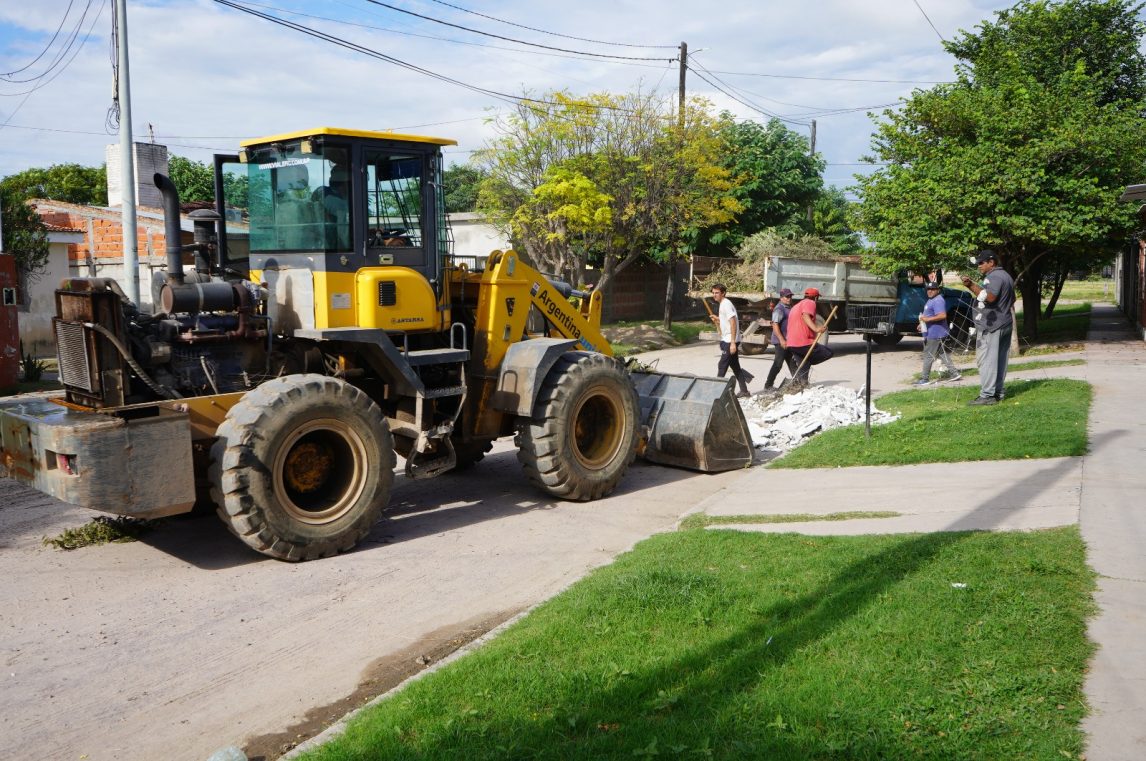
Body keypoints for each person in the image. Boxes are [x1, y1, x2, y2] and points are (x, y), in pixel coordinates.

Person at [960, 249, 1015, 406]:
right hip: (1005, 323)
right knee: (1000, 360)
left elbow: (990, 297)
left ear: (991, 262)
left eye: (982, 263)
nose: (979, 265)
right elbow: (1013, 299)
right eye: (978, 263)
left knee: (987, 361)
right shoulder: (1006, 276)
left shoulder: (994, 277)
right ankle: (998, 392)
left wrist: (971, 285)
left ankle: (987, 395)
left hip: (992, 327)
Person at [709, 283, 754, 398]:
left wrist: (733, 343)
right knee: (735, 366)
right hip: (728, 339)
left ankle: (716, 393)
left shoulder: (726, 304)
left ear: (723, 293)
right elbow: (727, 321)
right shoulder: (723, 304)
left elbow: (733, 322)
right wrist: (718, 319)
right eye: (713, 293)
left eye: (717, 293)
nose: (714, 295)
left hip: (730, 340)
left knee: (722, 365)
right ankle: (744, 391)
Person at [914, 281, 962, 385]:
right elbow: (929, 315)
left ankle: (925, 379)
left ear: (938, 290)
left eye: (932, 289)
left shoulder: (938, 300)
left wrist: (927, 320)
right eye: (928, 289)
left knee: (928, 355)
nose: (930, 291)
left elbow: (942, 315)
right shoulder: (931, 299)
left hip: (935, 333)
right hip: (933, 332)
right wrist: (922, 324)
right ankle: (954, 374)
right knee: (942, 354)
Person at [785, 287, 833, 386]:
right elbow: (805, 315)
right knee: (828, 353)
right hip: (803, 342)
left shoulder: (796, 306)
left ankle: (803, 384)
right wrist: (816, 329)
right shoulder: (810, 303)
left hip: (792, 343)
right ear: (815, 297)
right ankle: (808, 362)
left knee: (804, 363)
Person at [764, 288, 797, 389]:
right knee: (778, 364)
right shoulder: (779, 309)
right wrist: (782, 340)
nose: (789, 298)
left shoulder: (788, 307)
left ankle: (799, 382)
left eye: (790, 296)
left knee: (792, 362)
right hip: (780, 341)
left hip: (788, 340)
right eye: (787, 297)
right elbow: (775, 325)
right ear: (781, 298)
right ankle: (768, 385)